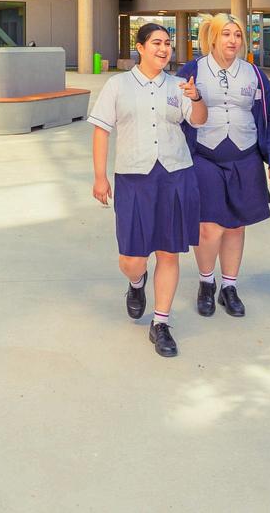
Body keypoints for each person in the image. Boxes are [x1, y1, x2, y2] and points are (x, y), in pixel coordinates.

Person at [89, 23, 207, 358]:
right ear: (140, 47)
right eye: (156, 42)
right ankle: (136, 283)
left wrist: (196, 98)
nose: (164, 48)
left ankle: (161, 323)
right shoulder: (117, 85)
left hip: (175, 175)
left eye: (168, 43)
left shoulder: (179, 85)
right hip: (134, 178)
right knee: (132, 259)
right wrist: (100, 177)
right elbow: (101, 131)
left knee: (169, 252)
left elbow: (199, 120)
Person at [182, 15, 270, 318]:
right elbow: (175, 113)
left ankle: (229, 287)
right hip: (204, 157)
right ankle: (206, 283)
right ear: (213, 38)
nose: (233, 40)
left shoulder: (255, 74)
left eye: (238, 34)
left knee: (236, 226)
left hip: (245, 156)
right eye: (226, 34)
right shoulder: (193, 70)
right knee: (208, 228)